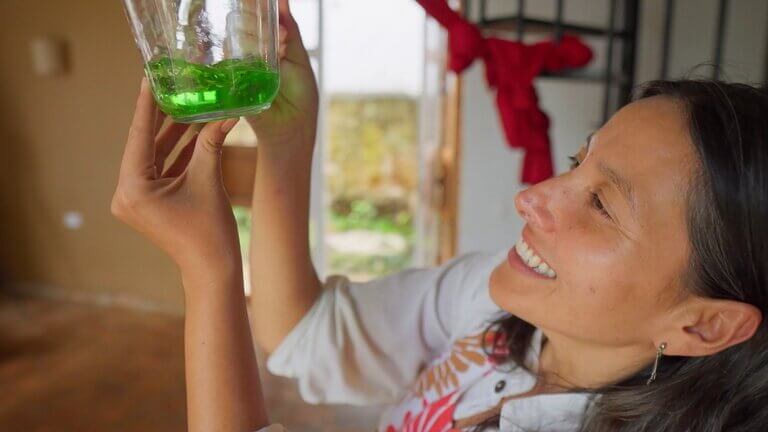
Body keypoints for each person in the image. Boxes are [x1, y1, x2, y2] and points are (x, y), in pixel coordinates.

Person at [112, 1, 768, 431]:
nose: (533, 196)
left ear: (703, 324)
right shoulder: (501, 307)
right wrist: (289, 137)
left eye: (600, 203)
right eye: (576, 161)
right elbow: (303, 336)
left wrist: (208, 268)